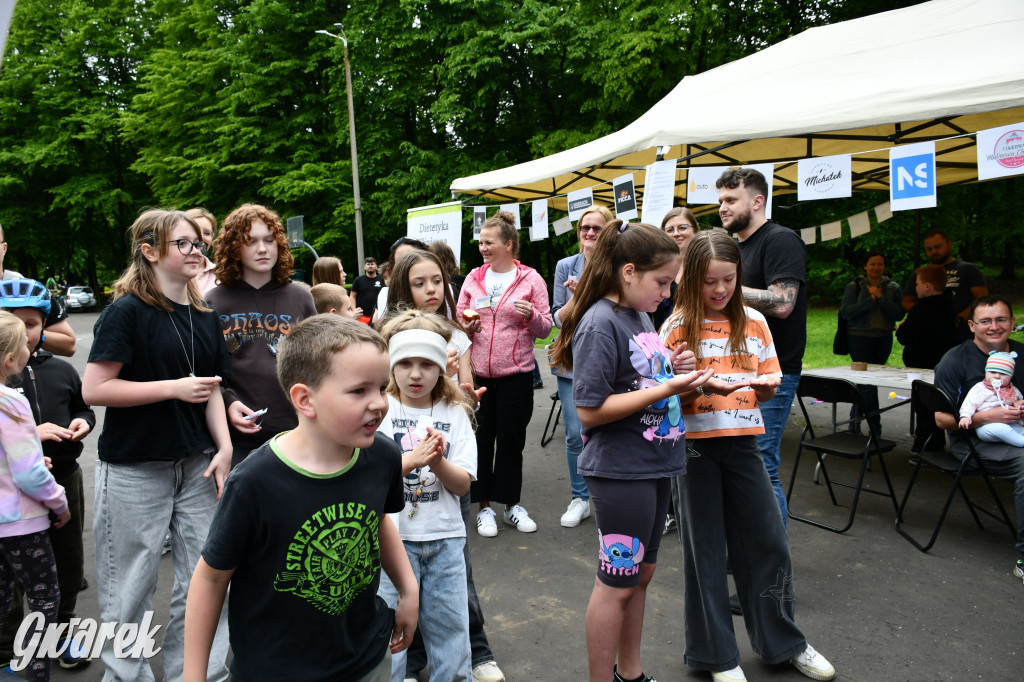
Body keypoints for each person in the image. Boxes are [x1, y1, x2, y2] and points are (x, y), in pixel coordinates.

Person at [183, 315, 418, 681]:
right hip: (276, 669)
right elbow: (210, 579)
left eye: (382, 387)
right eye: (360, 391)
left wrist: (408, 588)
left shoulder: (383, 456)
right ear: (304, 399)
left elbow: (377, 520)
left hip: (365, 658)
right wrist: (193, 676)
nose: (379, 403)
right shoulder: (254, 483)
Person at [661, 231, 835, 682]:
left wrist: (765, 386)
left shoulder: (756, 321)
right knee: (705, 552)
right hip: (694, 449)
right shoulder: (675, 326)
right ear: (689, 279)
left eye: (728, 280)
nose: (719, 290)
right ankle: (717, 656)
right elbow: (658, 399)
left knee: (768, 542)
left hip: (744, 444)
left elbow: (771, 376)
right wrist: (683, 379)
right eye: (708, 281)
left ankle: (784, 642)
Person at [550, 220, 709, 682]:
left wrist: (672, 368)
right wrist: (668, 387)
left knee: (640, 576)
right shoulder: (599, 323)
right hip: (621, 472)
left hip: (653, 465)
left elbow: (640, 378)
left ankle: (631, 674)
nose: (667, 292)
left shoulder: (639, 314)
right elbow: (590, 410)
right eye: (661, 282)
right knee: (616, 584)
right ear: (628, 272)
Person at [81, 209, 232, 681]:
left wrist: (224, 448)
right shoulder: (125, 312)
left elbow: (210, 389)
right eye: (183, 243)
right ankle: (127, 676)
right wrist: (171, 386)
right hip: (134, 467)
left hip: (197, 464)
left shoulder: (204, 315)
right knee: (130, 585)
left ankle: (196, 673)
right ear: (149, 252)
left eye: (197, 244)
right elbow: (94, 389)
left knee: (208, 578)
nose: (196, 251)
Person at [376, 311, 476, 682]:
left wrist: (436, 464)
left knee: (451, 631)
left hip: (446, 540)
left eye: (426, 365)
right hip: (391, 541)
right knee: (389, 632)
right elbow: (367, 476)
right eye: (404, 363)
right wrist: (411, 461)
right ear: (390, 365)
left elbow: (463, 484)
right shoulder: (380, 409)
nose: (415, 374)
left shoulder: (455, 412)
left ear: (442, 368)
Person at [0, 280, 94, 670]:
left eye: (34, 323)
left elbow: (84, 407)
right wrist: (32, 438)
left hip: (65, 474)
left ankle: (61, 632)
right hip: (22, 489)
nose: (27, 332)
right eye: (17, 323)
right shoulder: (8, 379)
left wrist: (82, 421)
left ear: (45, 325)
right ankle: (10, 649)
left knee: (67, 560)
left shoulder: (61, 370)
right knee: (19, 573)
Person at [718, 167, 806, 524]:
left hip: (773, 372)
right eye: (720, 200)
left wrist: (723, 289)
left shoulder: (780, 240)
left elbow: (784, 303)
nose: (722, 207)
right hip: (738, 371)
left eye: (730, 200)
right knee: (743, 462)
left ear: (757, 201)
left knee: (762, 463)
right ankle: (749, 546)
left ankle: (773, 559)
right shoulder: (739, 246)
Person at [457, 211, 552, 537]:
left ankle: (512, 505)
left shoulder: (531, 279)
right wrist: (467, 326)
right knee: (481, 441)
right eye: (481, 242)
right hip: (480, 375)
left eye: (488, 242)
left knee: (512, 441)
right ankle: (484, 508)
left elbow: (546, 327)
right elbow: (459, 324)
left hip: (517, 374)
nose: (482, 247)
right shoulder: (473, 278)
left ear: (508, 244)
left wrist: (532, 316)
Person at [205, 203, 318, 468]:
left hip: (297, 433)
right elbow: (204, 371)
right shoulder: (212, 302)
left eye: (269, 240)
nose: (263, 249)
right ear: (234, 248)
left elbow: (320, 364)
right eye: (251, 241)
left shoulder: (300, 297)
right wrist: (227, 401)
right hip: (238, 441)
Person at [933, 296, 1024, 585]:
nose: (994, 327)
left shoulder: (1022, 354)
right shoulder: (955, 360)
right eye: (986, 321)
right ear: (972, 325)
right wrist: (986, 417)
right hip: (972, 442)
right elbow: (941, 420)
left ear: (1012, 322)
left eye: (1001, 320)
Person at [0, 311, 71, 682]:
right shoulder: (12, 402)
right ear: (11, 360)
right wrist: (59, 501)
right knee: (43, 601)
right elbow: (29, 474)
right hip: (22, 525)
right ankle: (36, 673)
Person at [550, 205, 613, 528]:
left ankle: (607, 496)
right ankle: (579, 497)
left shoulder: (617, 266)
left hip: (607, 360)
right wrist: (577, 299)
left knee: (605, 432)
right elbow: (556, 318)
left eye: (596, 228)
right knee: (576, 433)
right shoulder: (566, 266)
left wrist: (588, 292)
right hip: (571, 361)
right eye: (584, 228)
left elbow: (618, 310)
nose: (589, 233)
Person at [382, 250, 474, 392]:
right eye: (419, 284)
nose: (431, 289)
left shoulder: (458, 337)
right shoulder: (389, 337)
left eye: (437, 281)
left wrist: (472, 402)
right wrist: (440, 374)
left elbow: (467, 397)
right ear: (402, 287)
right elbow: (386, 393)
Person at [839, 251, 904, 434]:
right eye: (872, 264)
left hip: (883, 338)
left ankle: (854, 424)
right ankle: (875, 427)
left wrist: (881, 299)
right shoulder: (854, 287)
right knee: (867, 383)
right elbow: (847, 312)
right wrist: (870, 299)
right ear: (865, 266)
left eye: (880, 264)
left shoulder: (893, 288)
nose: (876, 268)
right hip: (858, 338)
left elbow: (899, 314)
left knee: (865, 384)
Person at [0, 224, 76, 358]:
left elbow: (69, 345)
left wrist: (29, 330)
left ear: (4, 248)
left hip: (21, 373)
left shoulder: (29, 290)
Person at [901, 229, 987, 340]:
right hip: (929, 334)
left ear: (949, 245)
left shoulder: (967, 269)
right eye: (929, 249)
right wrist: (926, 315)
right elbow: (906, 301)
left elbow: (982, 298)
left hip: (962, 331)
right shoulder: (921, 273)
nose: (934, 252)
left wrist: (959, 318)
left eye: (938, 247)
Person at [958, 351, 1024, 446]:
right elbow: (969, 403)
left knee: (1018, 429)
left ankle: (1017, 437)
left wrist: (1019, 406)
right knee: (1000, 430)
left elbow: (1019, 402)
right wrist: (965, 416)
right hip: (987, 426)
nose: (997, 376)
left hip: (1011, 424)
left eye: (1003, 374)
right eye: (992, 372)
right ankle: (1021, 442)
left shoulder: (1013, 390)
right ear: (986, 372)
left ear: (1010, 377)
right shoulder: (980, 388)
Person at [896, 264, 955, 370]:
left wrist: (902, 328)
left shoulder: (921, 309)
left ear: (927, 286)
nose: (916, 287)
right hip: (943, 362)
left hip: (922, 364)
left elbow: (905, 336)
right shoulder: (950, 306)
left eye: (917, 284)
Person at [651, 207, 698, 331]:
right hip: (664, 343)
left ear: (695, 230)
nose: (676, 233)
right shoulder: (655, 270)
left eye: (682, 227)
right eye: (670, 230)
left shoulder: (705, 268)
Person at [374, 238, 430, 327]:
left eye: (413, 258)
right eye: (401, 261)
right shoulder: (386, 294)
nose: (431, 290)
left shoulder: (441, 289)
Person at [186, 208, 219, 296]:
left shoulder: (220, 275)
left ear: (212, 238)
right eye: (195, 230)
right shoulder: (168, 272)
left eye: (207, 233)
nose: (201, 237)